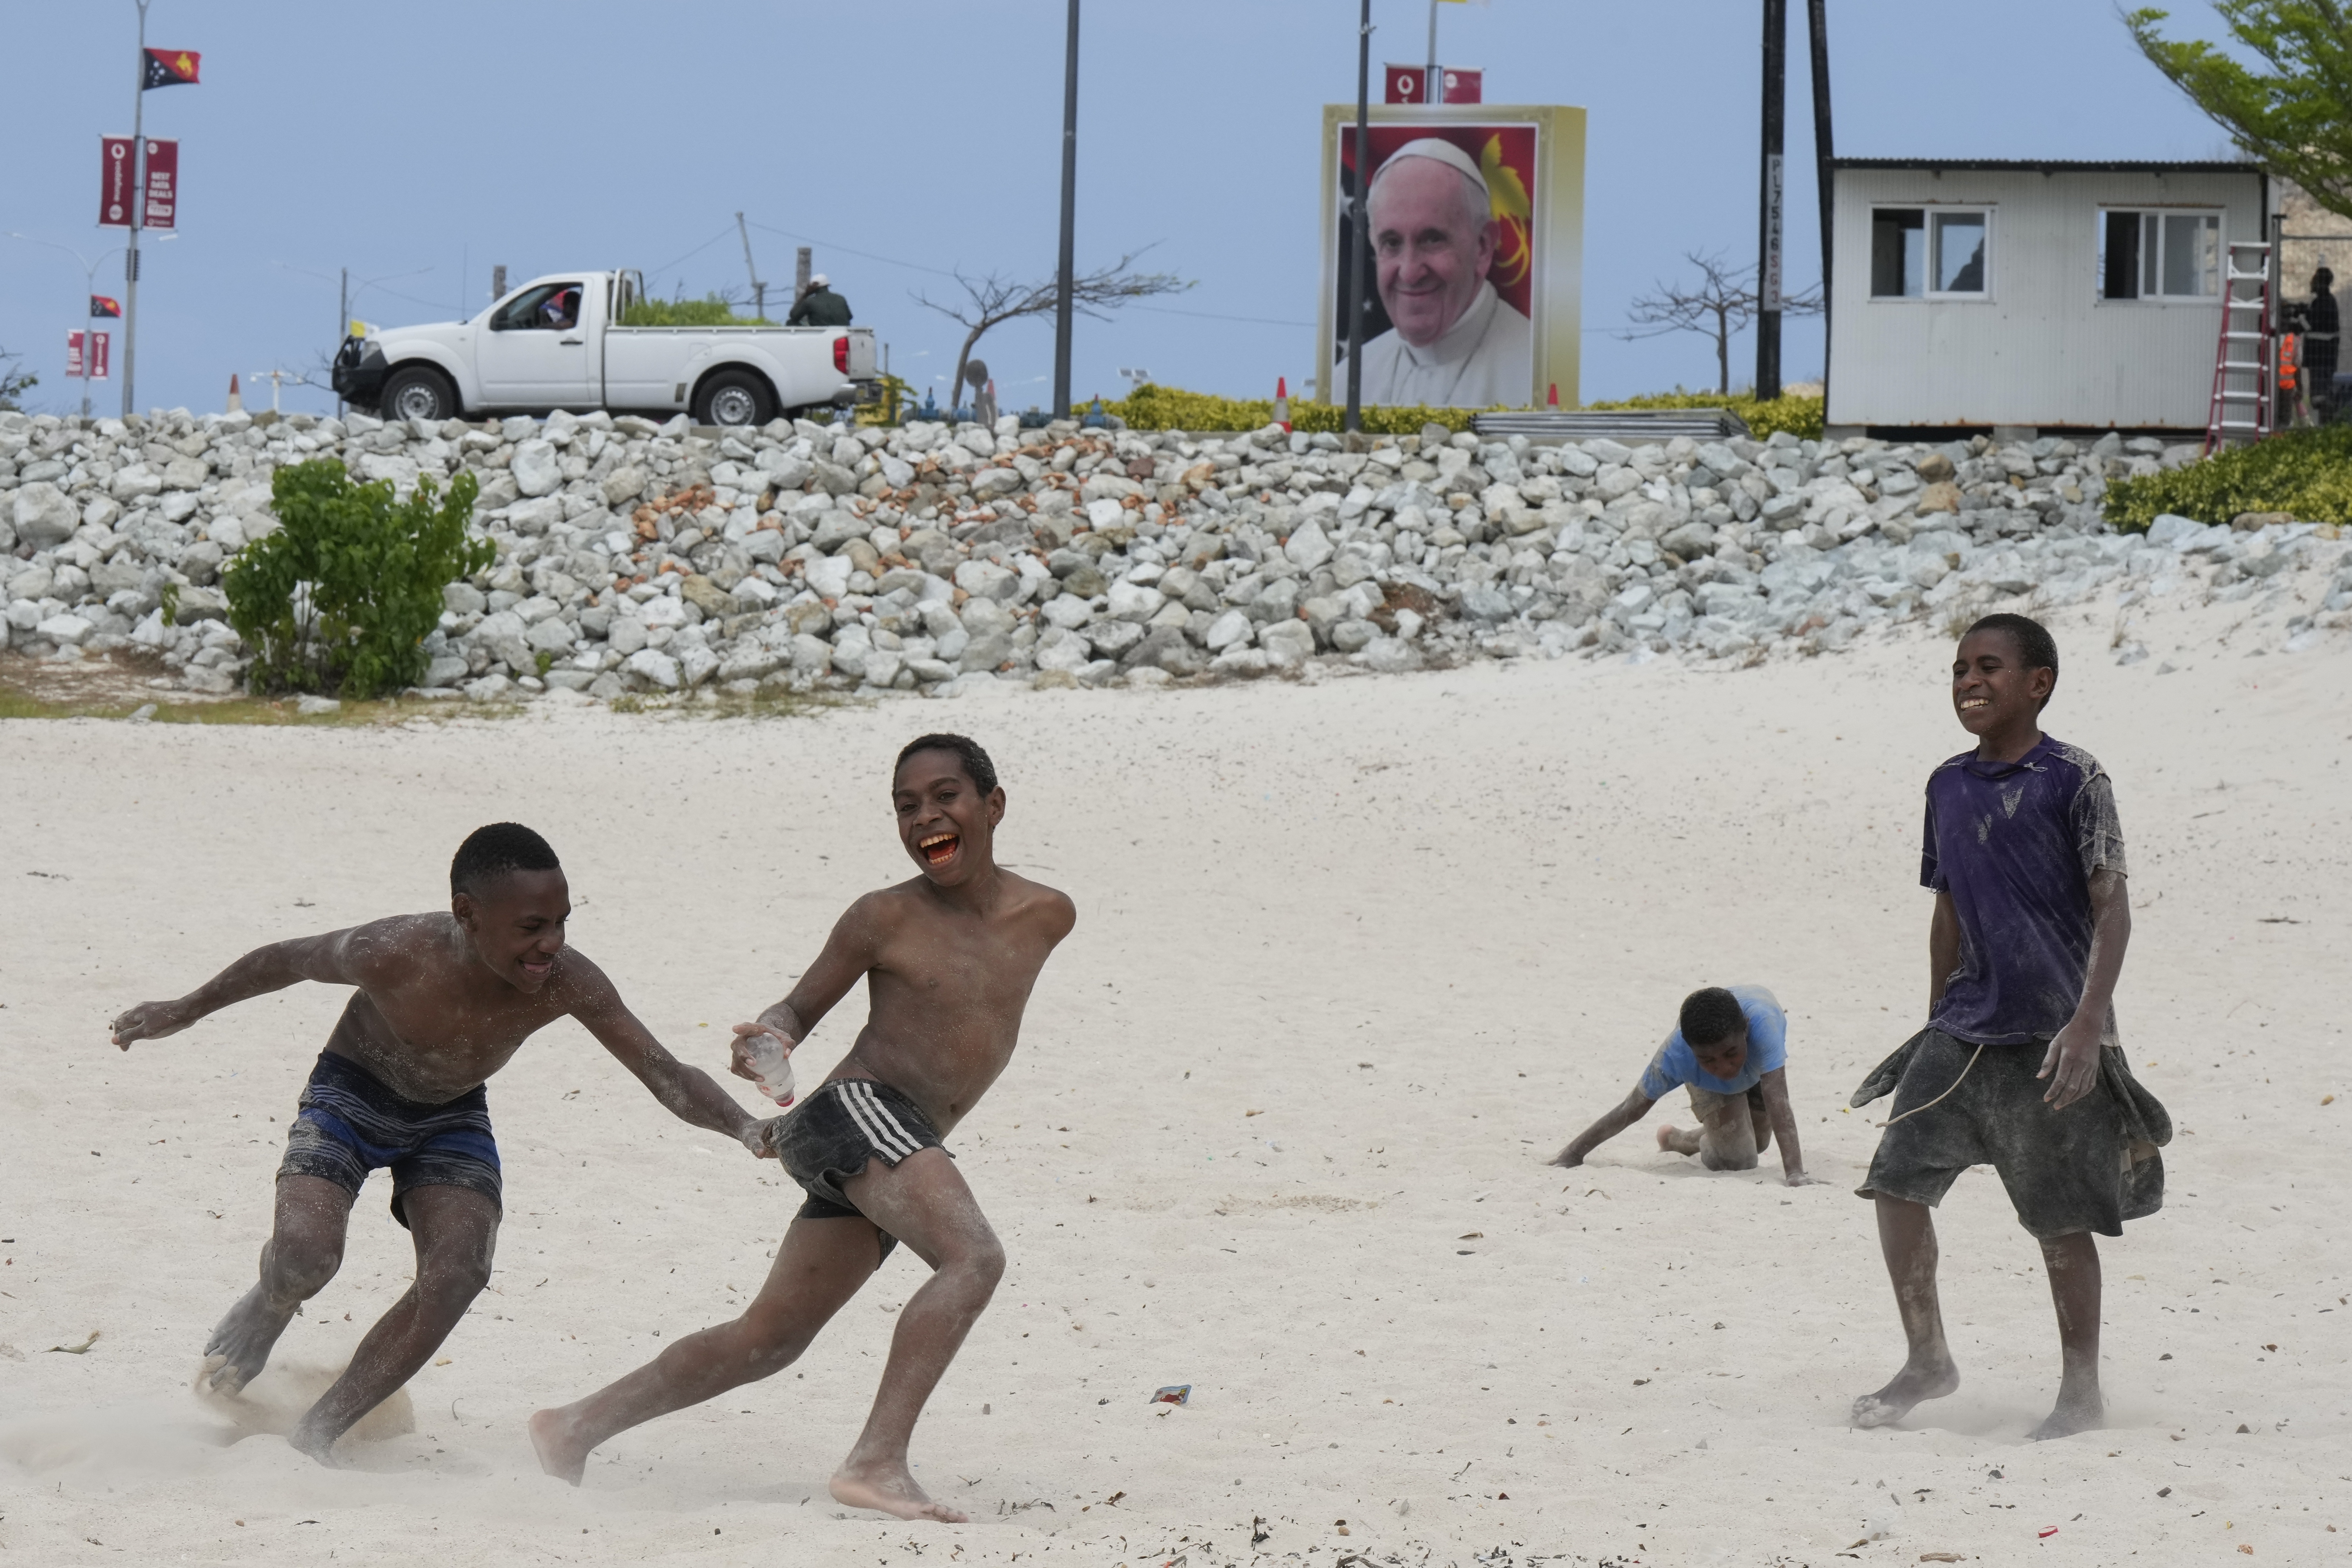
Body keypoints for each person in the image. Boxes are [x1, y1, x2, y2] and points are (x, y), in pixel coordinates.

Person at [529, 734, 1077, 1524]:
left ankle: (571, 1427)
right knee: (973, 1256)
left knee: (769, 1339)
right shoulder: (882, 915)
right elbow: (798, 1009)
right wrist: (772, 1041)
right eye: (906, 805)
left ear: (993, 805)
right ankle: (877, 1460)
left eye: (945, 796)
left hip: (897, 1141)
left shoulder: (1049, 914)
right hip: (857, 1113)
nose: (926, 816)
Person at [106, 823, 767, 1465]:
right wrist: (185, 1008)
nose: (552, 944)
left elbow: (665, 1073)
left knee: (459, 1273)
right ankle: (273, 1299)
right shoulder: (392, 949)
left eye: (562, 921)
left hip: (450, 1117)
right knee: (308, 1257)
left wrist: (747, 1127)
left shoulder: (570, 980)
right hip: (351, 1095)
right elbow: (285, 960)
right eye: (531, 927)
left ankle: (318, 1433)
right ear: (467, 913)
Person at [1849, 613, 2169, 1441]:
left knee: (2059, 1218)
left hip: (2051, 1034)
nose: (1967, 681)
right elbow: (1946, 910)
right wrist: (1930, 1021)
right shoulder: (1945, 785)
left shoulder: (2073, 777)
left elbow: (2113, 907)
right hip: (1960, 1032)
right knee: (1893, 1183)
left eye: (1986, 666)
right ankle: (1926, 1358)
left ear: (2037, 683)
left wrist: (2087, 1023)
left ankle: (2078, 1391)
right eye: (1957, 668)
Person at [1546, 985, 1814, 1186]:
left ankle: (1679, 1139)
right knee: (1740, 1161)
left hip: (1756, 1068)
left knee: (1759, 1143)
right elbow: (1632, 1108)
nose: (1723, 1068)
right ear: (1691, 1050)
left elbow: (1778, 1098)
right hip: (1714, 1085)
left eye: (1731, 1054)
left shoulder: (1763, 1026)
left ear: (1745, 1029)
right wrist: (1572, 1154)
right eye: (1708, 1060)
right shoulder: (1677, 1055)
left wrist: (1795, 1173)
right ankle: (1678, 1139)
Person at [1351, 137, 1533, 409]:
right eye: (1392, 243)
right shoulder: (1350, 380)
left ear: (1483, 246)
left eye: (1432, 239)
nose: (1410, 272)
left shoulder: (1539, 374)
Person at [2306, 267, 2339, 423]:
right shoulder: (2326, 302)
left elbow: (2311, 326)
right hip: (2323, 360)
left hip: (2320, 360)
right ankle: (2325, 429)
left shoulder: (2323, 303)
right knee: (2321, 398)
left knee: (2321, 399)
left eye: (2315, 278)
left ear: (2320, 282)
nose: (2311, 282)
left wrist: (2298, 318)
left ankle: (2325, 430)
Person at [788, 272, 853, 327]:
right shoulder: (841, 298)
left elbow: (794, 316)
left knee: (790, 323)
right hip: (843, 333)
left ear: (815, 285)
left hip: (821, 334)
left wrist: (806, 294)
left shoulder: (810, 301)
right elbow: (850, 317)